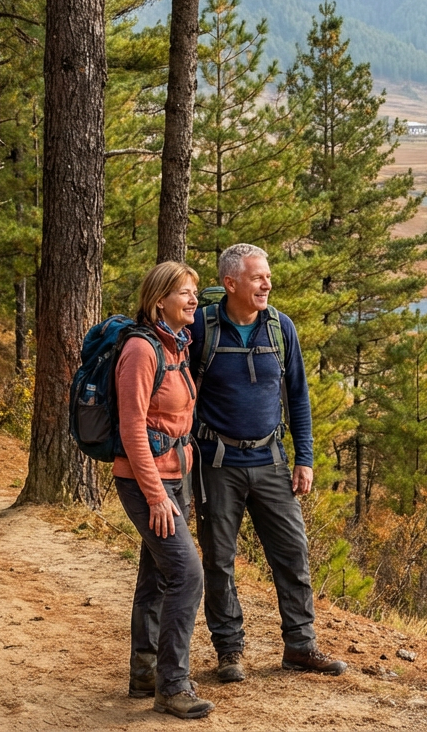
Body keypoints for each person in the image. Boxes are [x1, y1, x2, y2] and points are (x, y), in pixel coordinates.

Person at [189, 243, 348, 683]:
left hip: (273, 460)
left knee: (293, 553)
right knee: (220, 560)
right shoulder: (202, 328)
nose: (268, 284)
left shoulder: (282, 328)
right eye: (258, 277)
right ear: (231, 283)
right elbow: (181, 396)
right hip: (216, 462)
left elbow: (298, 395)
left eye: (269, 276)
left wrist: (306, 458)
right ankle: (229, 651)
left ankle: (300, 645)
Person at [113, 261, 212, 719]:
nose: (194, 299)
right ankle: (172, 686)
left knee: (157, 574)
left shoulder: (177, 346)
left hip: (176, 475)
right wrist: (156, 495)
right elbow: (132, 428)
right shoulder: (141, 349)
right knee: (188, 573)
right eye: (184, 293)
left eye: (194, 292)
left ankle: (144, 672)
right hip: (145, 480)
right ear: (159, 303)